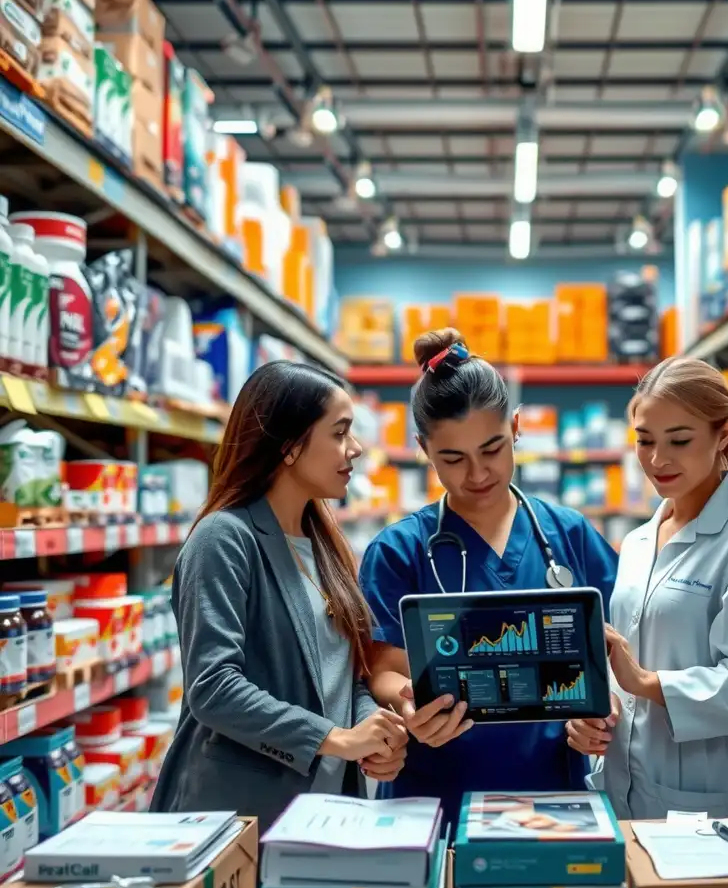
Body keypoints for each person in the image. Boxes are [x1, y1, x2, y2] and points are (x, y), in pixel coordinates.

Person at [359, 329, 620, 822]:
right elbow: (383, 668)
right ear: (423, 448)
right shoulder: (400, 550)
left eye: (493, 448)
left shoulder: (568, 535)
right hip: (435, 798)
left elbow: (618, 653)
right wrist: (408, 705)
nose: (477, 473)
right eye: (452, 459)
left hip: (551, 795)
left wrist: (605, 714)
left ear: (516, 427)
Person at [151, 361, 408, 831]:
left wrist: (374, 734)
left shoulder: (325, 546)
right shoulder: (224, 538)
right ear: (289, 446)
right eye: (339, 432)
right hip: (239, 814)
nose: (356, 448)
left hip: (325, 811)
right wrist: (335, 738)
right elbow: (213, 687)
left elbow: (343, 677)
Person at [566, 357, 728, 833]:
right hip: (621, 786)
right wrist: (595, 711)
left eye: (679, 440)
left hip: (710, 798)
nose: (657, 459)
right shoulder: (636, 542)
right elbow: (624, 663)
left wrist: (647, 684)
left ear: (723, 435)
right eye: (645, 440)